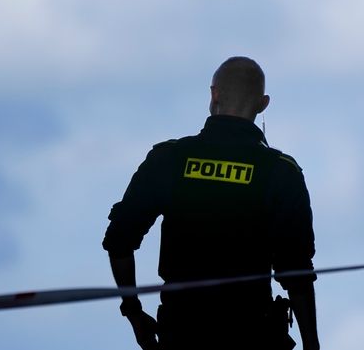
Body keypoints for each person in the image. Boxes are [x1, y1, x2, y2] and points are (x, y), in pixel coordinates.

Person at [102, 56, 319, 350]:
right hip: (252, 336)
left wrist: (134, 312)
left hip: (181, 335)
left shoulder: (169, 159)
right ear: (263, 103)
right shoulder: (281, 172)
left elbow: (119, 241)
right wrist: (312, 344)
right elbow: (297, 274)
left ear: (214, 94)